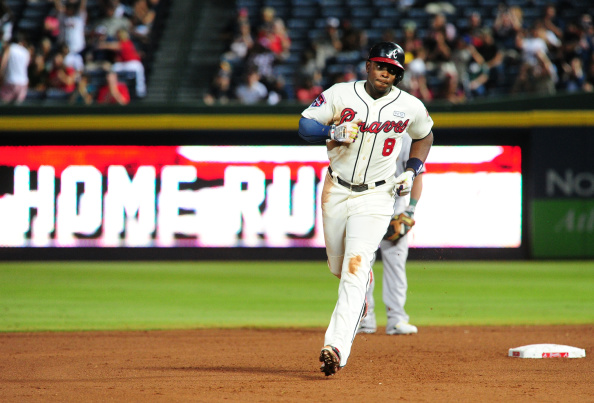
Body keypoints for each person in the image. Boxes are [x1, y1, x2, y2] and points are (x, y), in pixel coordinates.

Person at [298, 41, 434, 376]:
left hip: (377, 196)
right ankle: (359, 297)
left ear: (398, 75)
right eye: (380, 66)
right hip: (336, 189)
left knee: (354, 270)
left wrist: (412, 169)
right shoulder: (340, 94)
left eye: (392, 70)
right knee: (338, 267)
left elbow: (425, 135)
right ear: (368, 66)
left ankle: (336, 347)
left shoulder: (409, 106)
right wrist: (331, 130)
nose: (385, 73)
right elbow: (304, 126)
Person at [358, 133, 425, 335]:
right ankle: (364, 319)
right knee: (361, 267)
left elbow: (418, 174)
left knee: (396, 266)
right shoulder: (363, 134)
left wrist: (410, 210)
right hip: (365, 211)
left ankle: (396, 319)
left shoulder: (404, 138)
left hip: (395, 212)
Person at [0, 34, 30, 105]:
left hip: (10, 81)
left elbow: (3, 64)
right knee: (18, 111)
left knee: (4, 108)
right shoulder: (26, 51)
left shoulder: (9, 49)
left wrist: (1, 76)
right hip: (23, 83)